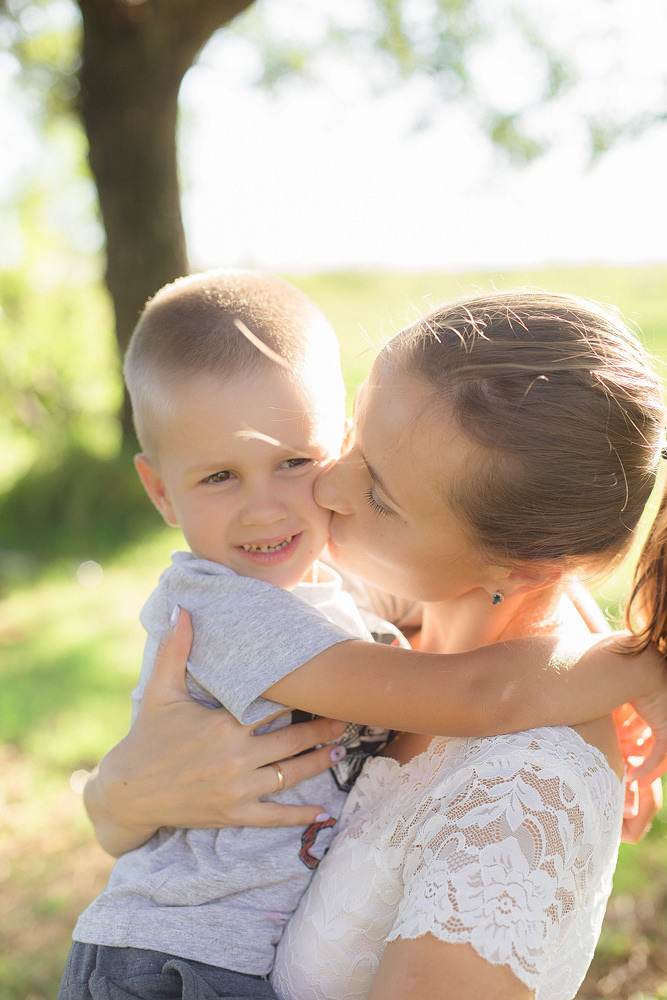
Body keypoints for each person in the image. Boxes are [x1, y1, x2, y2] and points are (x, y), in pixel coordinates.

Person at [69, 281, 667, 1000]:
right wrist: (115, 797)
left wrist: (631, 656)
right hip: (166, 962)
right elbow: (488, 654)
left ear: (522, 563)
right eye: (354, 437)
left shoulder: (521, 794)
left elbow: (492, 681)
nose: (326, 489)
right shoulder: (263, 601)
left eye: (376, 491)